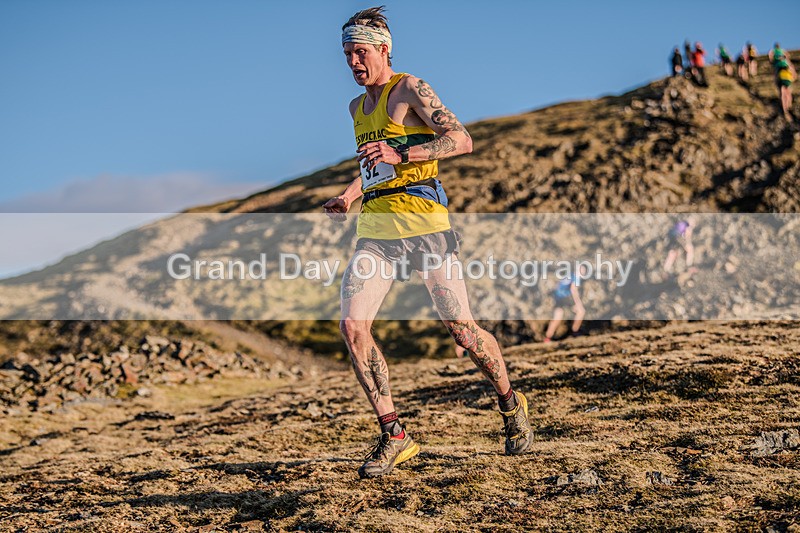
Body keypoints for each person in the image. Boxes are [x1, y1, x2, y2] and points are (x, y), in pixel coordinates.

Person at [324, 6, 534, 479]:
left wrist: (402, 152)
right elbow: (371, 163)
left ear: (384, 49)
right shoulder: (357, 108)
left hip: (425, 226)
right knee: (353, 328)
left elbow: (461, 139)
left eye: (359, 52)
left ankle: (509, 401)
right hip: (377, 231)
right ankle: (395, 435)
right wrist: (350, 194)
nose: (352, 62)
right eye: (345, 54)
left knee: (462, 331)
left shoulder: (411, 88)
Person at [543, 267, 586, 343]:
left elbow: (558, 286)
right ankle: (575, 332)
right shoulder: (576, 277)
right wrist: (578, 303)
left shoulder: (569, 275)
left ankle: (548, 337)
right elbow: (573, 290)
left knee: (557, 317)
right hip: (565, 298)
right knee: (581, 311)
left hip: (557, 298)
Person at [769, 43, 796, 120]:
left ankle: (785, 108)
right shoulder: (786, 60)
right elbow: (792, 68)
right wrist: (793, 76)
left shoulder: (777, 63)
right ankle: (789, 106)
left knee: (783, 92)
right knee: (788, 91)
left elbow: (770, 55)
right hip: (788, 77)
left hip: (781, 77)